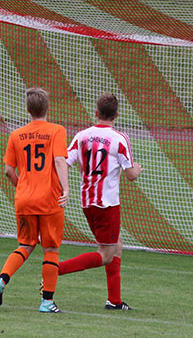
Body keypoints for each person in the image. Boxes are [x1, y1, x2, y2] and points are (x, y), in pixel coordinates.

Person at [58, 92, 142, 310]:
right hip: (107, 205)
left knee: (117, 244)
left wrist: (66, 186)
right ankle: (55, 269)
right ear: (116, 115)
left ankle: (114, 301)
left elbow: (64, 162)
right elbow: (131, 175)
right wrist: (138, 170)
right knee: (106, 254)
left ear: (96, 113)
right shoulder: (119, 139)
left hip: (87, 203)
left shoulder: (82, 136)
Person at [0, 87, 69, 313]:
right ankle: (47, 302)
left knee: (25, 244)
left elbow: (8, 170)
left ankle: (1, 281)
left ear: (27, 109)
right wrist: (66, 188)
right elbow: (60, 161)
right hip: (49, 200)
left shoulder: (16, 135)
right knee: (51, 249)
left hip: (24, 199)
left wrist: (22, 186)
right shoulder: (56, 130)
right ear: (47, 107)